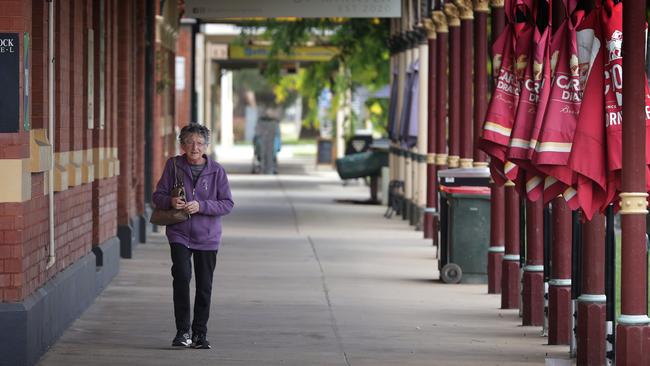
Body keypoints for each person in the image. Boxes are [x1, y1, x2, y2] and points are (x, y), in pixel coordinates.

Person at [152, 123, 234, 349]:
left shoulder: (217, 171)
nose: (194, 147)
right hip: (179, 232)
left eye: (199, 143)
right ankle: (182, 332)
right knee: (181, 277)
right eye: (189, 142)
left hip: (208, 237)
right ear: (182, 145)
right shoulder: (173, 166)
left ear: (206, 146)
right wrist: (170, 201)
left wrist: (202, 206)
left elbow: (227, 204)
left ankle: (199, 334)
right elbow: (157, 195)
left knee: (204, 285)